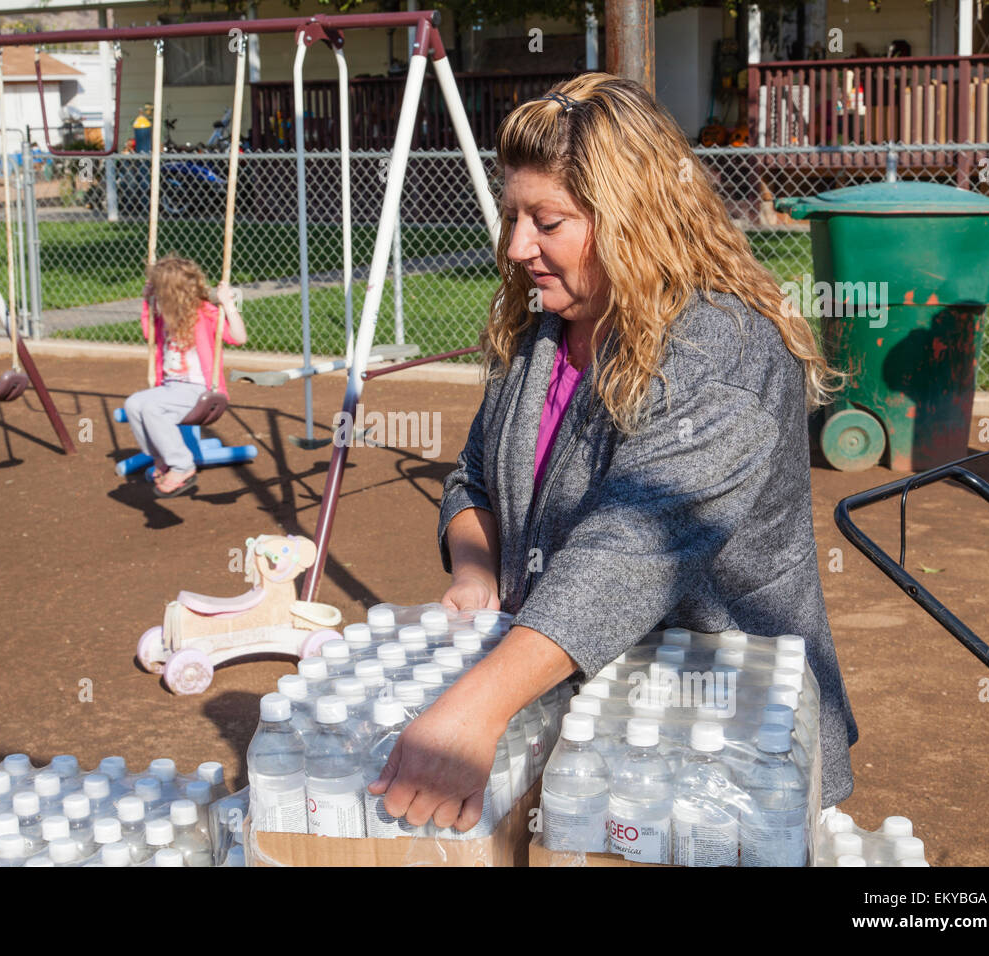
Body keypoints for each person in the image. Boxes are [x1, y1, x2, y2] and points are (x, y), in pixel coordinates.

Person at [367, 73, 859, 833]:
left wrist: (474, 705)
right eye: (512, 216)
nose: (517, 245)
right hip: (586, 738)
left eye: (547, 220)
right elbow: (475, 479)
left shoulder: (725, 347)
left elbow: (631, 550)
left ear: (633, 216)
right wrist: (475, 571)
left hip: (722, 753)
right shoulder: (540, 331)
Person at [125, 254, 246, 498]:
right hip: (170, 387)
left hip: (200, 389)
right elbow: (148, 334)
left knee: (151, 410)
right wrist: (146, 302)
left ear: (171, 294)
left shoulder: (204, 313)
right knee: (134, 404)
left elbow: (239, 337)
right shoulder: (165, 317)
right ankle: (161, 458)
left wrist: (228, 305)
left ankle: (182, 465)